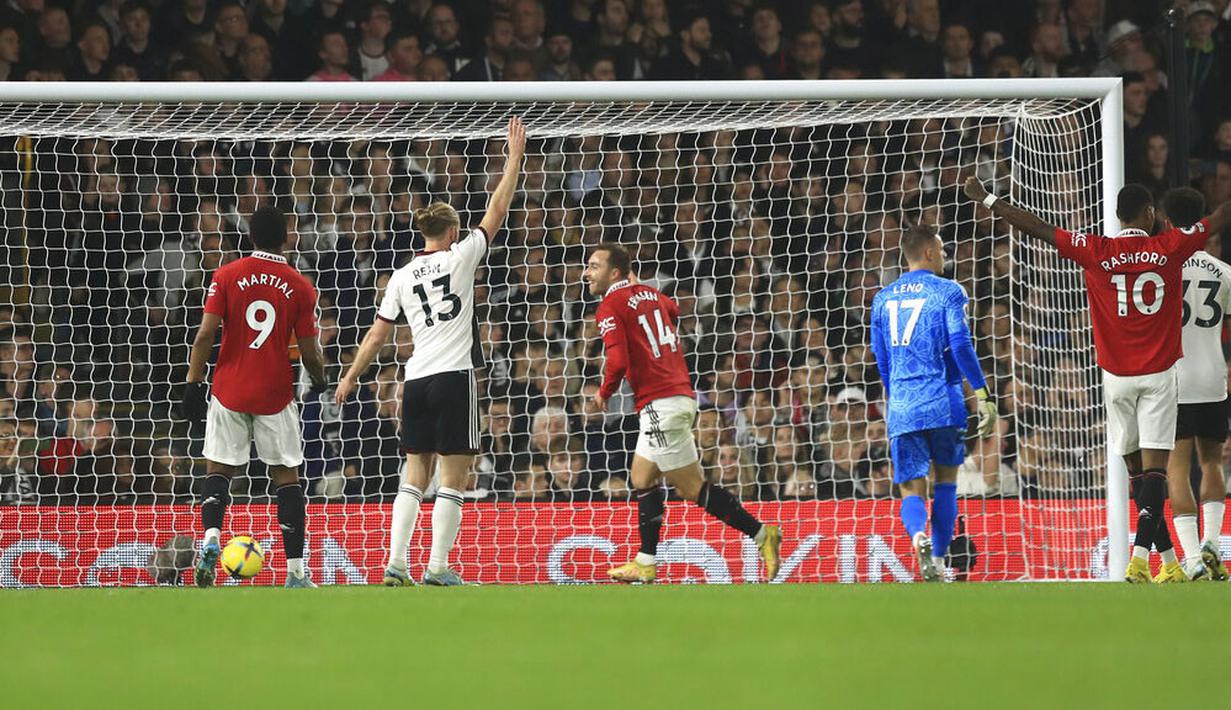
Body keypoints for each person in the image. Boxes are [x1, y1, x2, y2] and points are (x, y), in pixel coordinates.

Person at [963, 177, 1231, 583]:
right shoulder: (1171, 247)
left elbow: (1039, 227)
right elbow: (1219, 218)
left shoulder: (1096, 249)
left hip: (1116, 378)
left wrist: (987, 198)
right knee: (1159, 472)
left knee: (1139, 474)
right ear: (1149, 214)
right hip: (1162, 377)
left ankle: (1171, 562)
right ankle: (1142, 559)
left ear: (1119, 218)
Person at [335, 117, 526, 587]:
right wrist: (514, 158)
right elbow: (498, 208)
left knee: (413, 473)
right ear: (453, 230)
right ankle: (438, 567)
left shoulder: (401, 276)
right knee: (453, 477)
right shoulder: (461, 256)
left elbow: (376, 336)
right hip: (455, 377)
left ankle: (396, 564)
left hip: (415, 379)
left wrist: (351, 376)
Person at [584, 242, 782, 584]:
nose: (586, 273)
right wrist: (641, 295)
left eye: (594, 266)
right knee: (647, 479)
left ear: (615, 273)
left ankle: (761, 535)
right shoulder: (651, 294)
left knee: (684, 488)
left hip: (660, 403)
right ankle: (646, 561)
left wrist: (604, 393)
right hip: (676, 398)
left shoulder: (609, 306)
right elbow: (673, 311)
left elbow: (616, 360)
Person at [183, 206, 328, 588]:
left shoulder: (226, 274)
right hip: (274, 393)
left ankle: (211, 539)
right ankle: (296, 573)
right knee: (286, 479)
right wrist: (321, 379)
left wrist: (193, 383)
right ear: (286, 237)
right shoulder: (300, 285)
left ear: (250, 237)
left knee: (218, 471)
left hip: (229, 389)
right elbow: (310, 351)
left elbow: (204, 335)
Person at [869, 226, 998, 582]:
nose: (944, 255)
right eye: (941, 249)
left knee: (911, 487)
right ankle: (939, 561)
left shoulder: (882, 299)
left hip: (904, 404)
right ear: (928, 252)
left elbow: (881, 359)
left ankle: (917, 537)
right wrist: (982, 393)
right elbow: (961, 345)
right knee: (945, 482)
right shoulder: (948, 291)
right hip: (944, 401)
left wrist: (898, 396)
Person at [1163, 187, 1229, 581]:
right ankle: (1212, 543)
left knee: (1177, 468)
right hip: (1213, 379)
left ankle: (1191, 558)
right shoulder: (1224, 271)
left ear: (1167, 221)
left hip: (1173, 381)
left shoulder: (1164, 267)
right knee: (1212, 462)